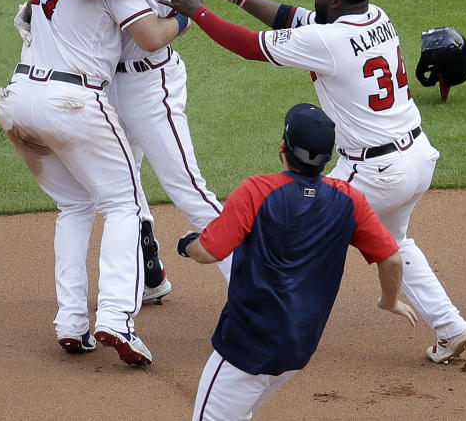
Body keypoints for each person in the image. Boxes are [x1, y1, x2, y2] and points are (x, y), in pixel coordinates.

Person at [155, 0, 466, 364]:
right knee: (392, 242)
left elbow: (253, 46)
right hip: (415, 158)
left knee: (291, 228)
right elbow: (298, 20)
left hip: (374, 170)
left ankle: (264, 325)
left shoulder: (329, 39)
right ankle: (451, 326)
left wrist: (198, 12)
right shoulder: (375, 17)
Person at [0, 0, 189, 365]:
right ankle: (116, 318)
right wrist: (186, 19)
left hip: (18, 100)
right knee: (124, 203)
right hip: (73, 103)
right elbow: (148, 36)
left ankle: (71, 322)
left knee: (74, 204)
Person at [29, 0, 231, 296]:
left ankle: (255, 283)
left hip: (148, 84)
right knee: (125, 183)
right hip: (109, 84)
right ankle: (151, 273)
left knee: (185, 186)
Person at [177, 103, 417, 420]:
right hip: (297, 348)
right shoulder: (350, 200)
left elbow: (209, 252)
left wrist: (187, 244)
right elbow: (391, 259)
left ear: (283, 148)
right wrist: (390, 301)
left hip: (245, 348)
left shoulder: (257, 191)